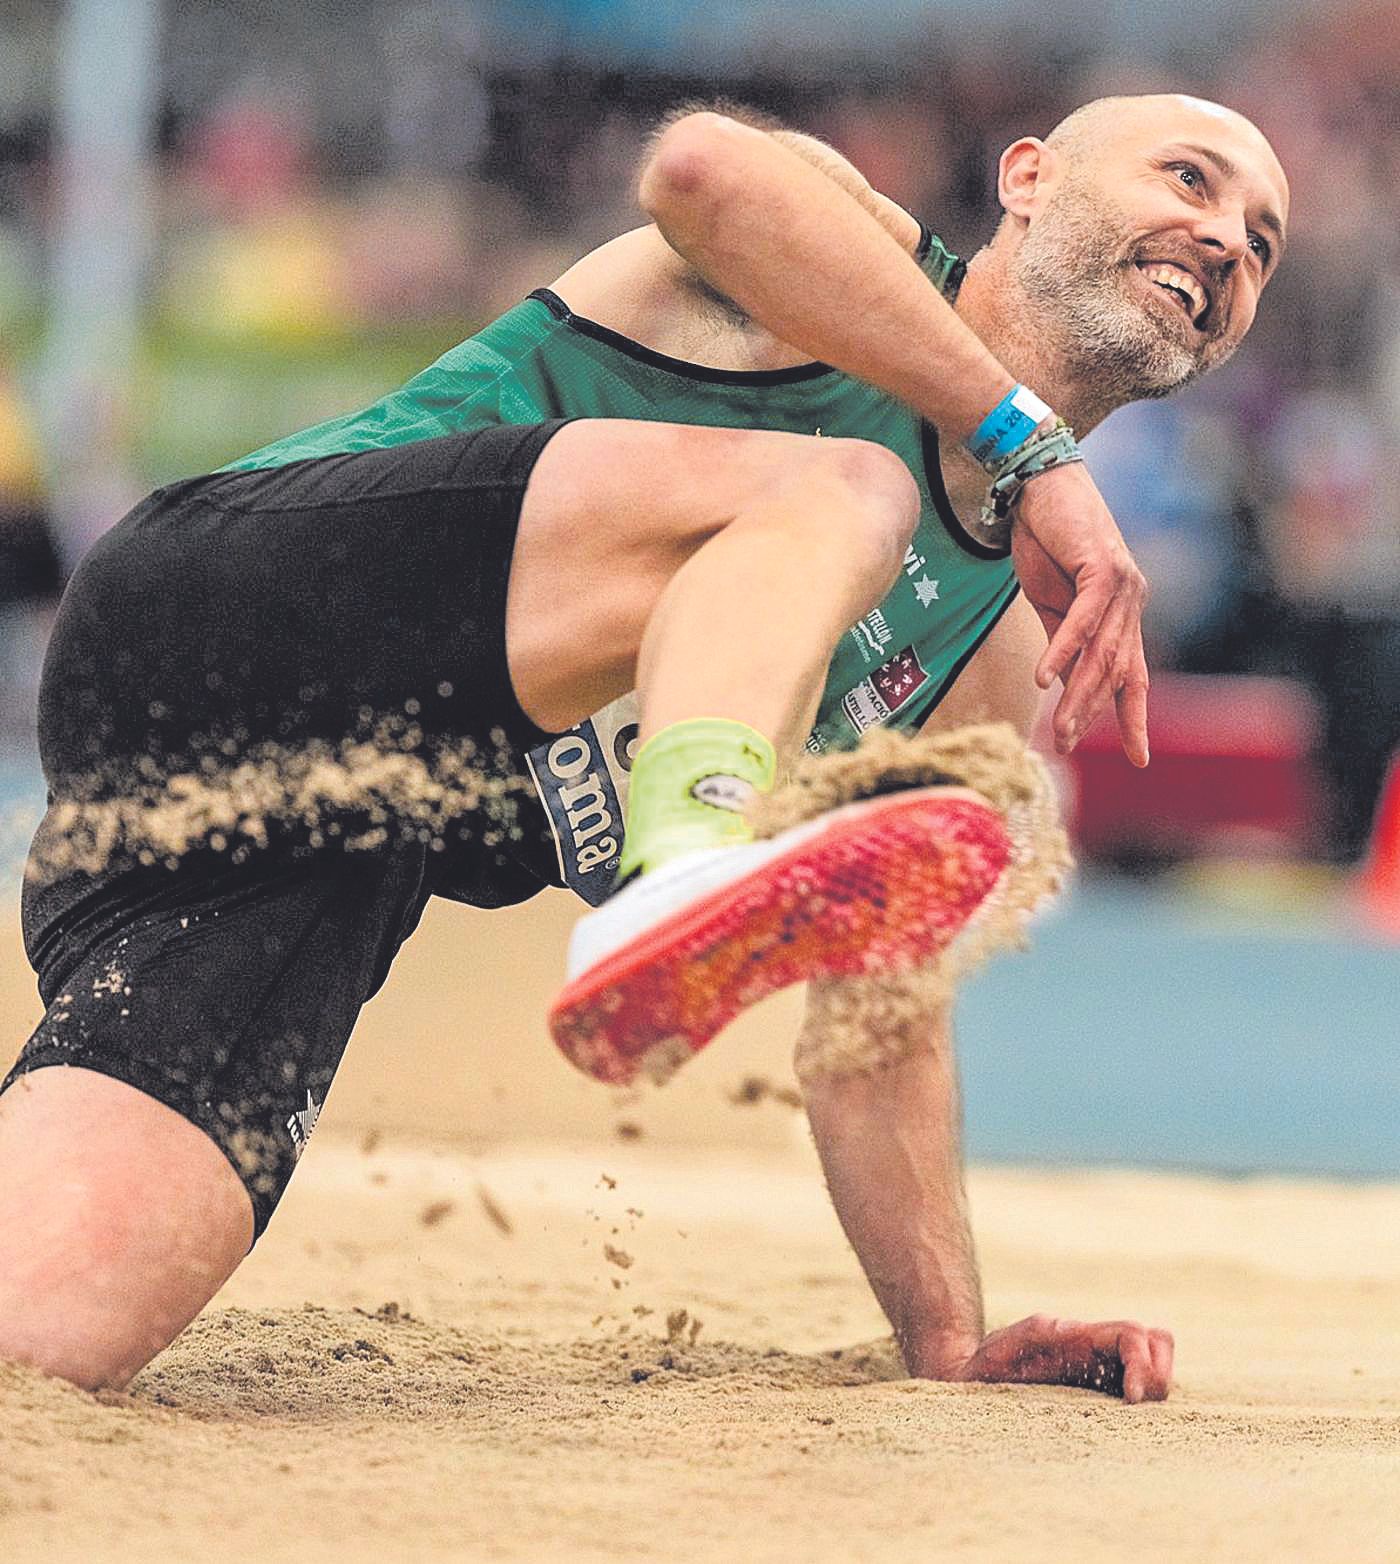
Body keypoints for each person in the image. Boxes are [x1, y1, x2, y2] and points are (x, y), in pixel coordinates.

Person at [0, 93, 1287, 1401]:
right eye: (1189, 177)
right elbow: (697, 168)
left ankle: (695, 872)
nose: (1228, 238)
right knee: (846, 488)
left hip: (320, 843)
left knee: (54, 1332)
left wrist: (949, 1342)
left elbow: (882, 1020)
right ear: (1026, 180)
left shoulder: (983, 661)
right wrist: (1029, 442)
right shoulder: (840, 261)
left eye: (1264, 239)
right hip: (227, 606)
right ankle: (693, 853)